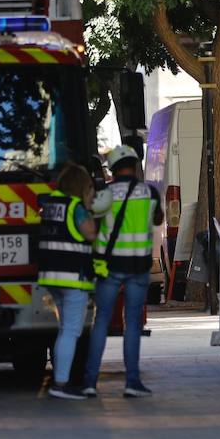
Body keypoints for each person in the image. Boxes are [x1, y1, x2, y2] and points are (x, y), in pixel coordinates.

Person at [81, 145, 162, 398]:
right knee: (132, 324)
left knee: (101, 321)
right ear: (135, 166)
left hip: (110, 267)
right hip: (139, 268)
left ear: (113, 169)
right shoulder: (149, 192)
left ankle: (89, 382)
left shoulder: (105, 193)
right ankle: (132, 381)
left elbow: (92, 218)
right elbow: (158, 219)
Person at [37, 162, 98, 400]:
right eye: (89, 188)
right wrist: (94, 211)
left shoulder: (51, 205)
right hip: (73, 278)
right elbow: (91, 234)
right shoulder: (76, 208)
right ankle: (61, 383)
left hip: (52, 277)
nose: (91, 192)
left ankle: (60, 379)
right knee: (71, 331)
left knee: (64, 330)